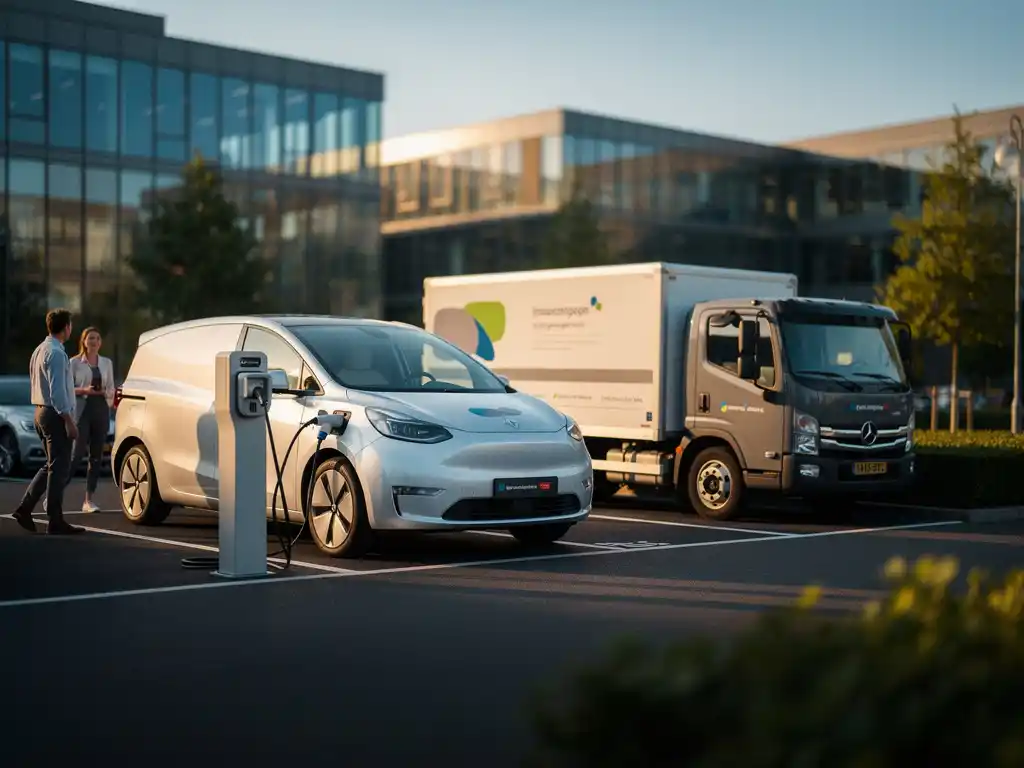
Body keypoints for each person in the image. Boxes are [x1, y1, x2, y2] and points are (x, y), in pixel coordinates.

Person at [9, 308, 85, 535]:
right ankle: (55, 520)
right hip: (54, 414)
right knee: (59, 469)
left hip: (40, 412)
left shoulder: (40, 349)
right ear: (66, 327)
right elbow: (57, 392)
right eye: (70, 325)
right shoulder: (56, 353)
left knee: (53, 465)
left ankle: (25, 509)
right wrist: (69, 421)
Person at [67, 326, 116, 513]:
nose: (94, 341)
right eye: (90, 338)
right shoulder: (74, 363)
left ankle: (88, 500)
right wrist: (84, 390)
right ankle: (54, 494)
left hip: (101, 409)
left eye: (97, 338)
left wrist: (106, 393)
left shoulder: (106, 363)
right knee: (76, 454)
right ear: (84, 341)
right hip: (82, 410)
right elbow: (67, 388)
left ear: (100, 342)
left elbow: (111, 387)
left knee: (96, 457)